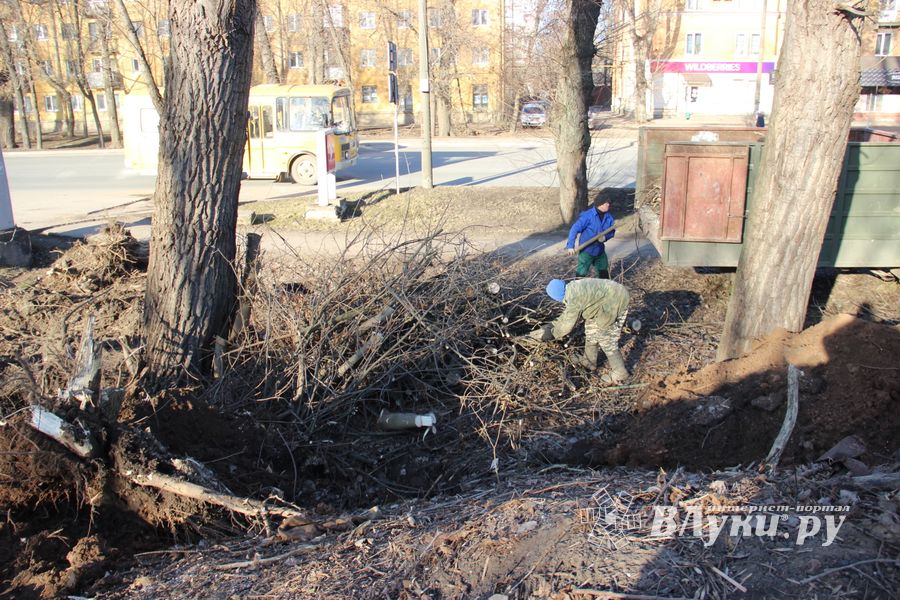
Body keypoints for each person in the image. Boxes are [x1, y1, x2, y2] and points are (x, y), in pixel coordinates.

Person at [529, 278, 631, 384]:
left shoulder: (574, 298)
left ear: (557, 296)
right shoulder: (571, 289)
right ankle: (589, 362)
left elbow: (567, 325)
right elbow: (566, 315)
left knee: (606, 339)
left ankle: (620, 373)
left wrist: (552, 334)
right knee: (591, 332)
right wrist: (553, 325)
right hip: (605, 300)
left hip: (615, 300)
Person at [566, 198, 616, 279]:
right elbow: (574, 229)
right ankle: (578, 288)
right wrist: (570, 246)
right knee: (581, 274)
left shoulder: (608, 217)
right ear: (600, 204)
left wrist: (605, 237)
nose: (608, 205)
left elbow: (612, 231)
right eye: (606, 203)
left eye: (609, 203)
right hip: (586, 250)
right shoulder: (588, 216)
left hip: (599, 250)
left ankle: (603, 289)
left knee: (603, 273)